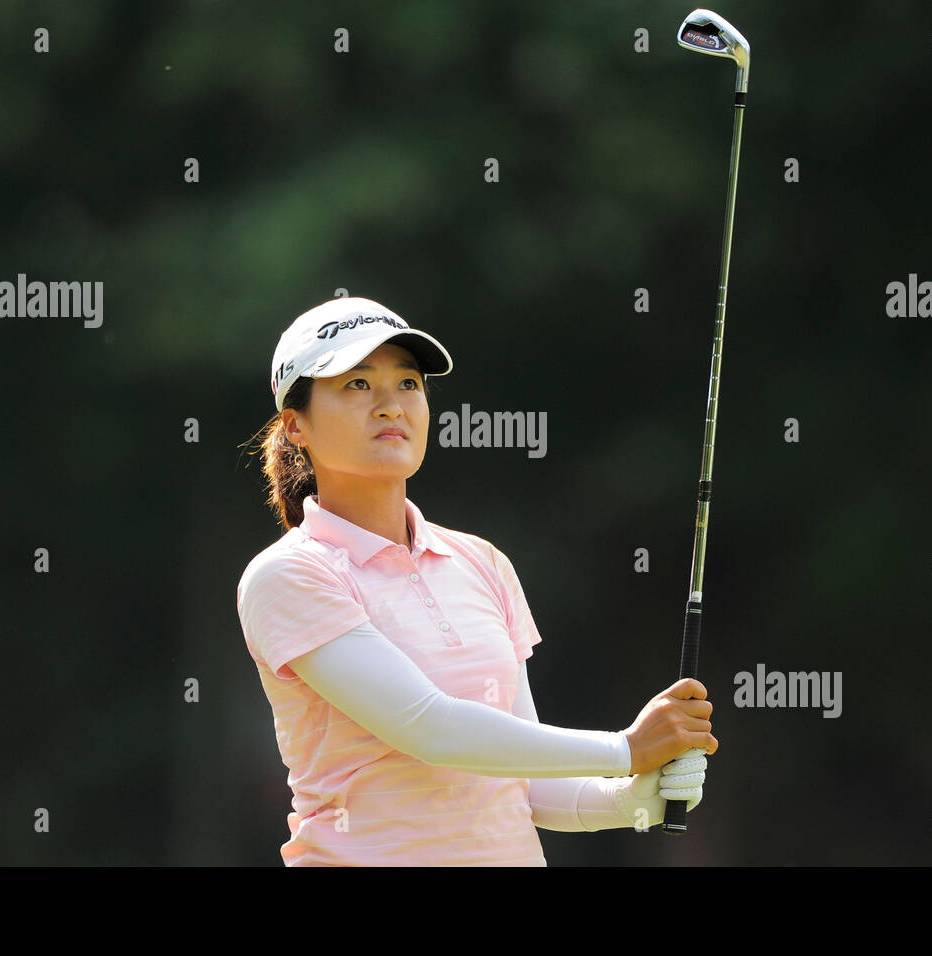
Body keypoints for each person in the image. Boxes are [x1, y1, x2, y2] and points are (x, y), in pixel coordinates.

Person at [236, 295, 717, 866]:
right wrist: (626, 748)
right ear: (296, 425)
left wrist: (636, 798)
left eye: (408, 383)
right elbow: (430, 728)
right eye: (357, 385)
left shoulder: (482, 561)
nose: (391, 405)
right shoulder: (288, 575)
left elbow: (530, 784)